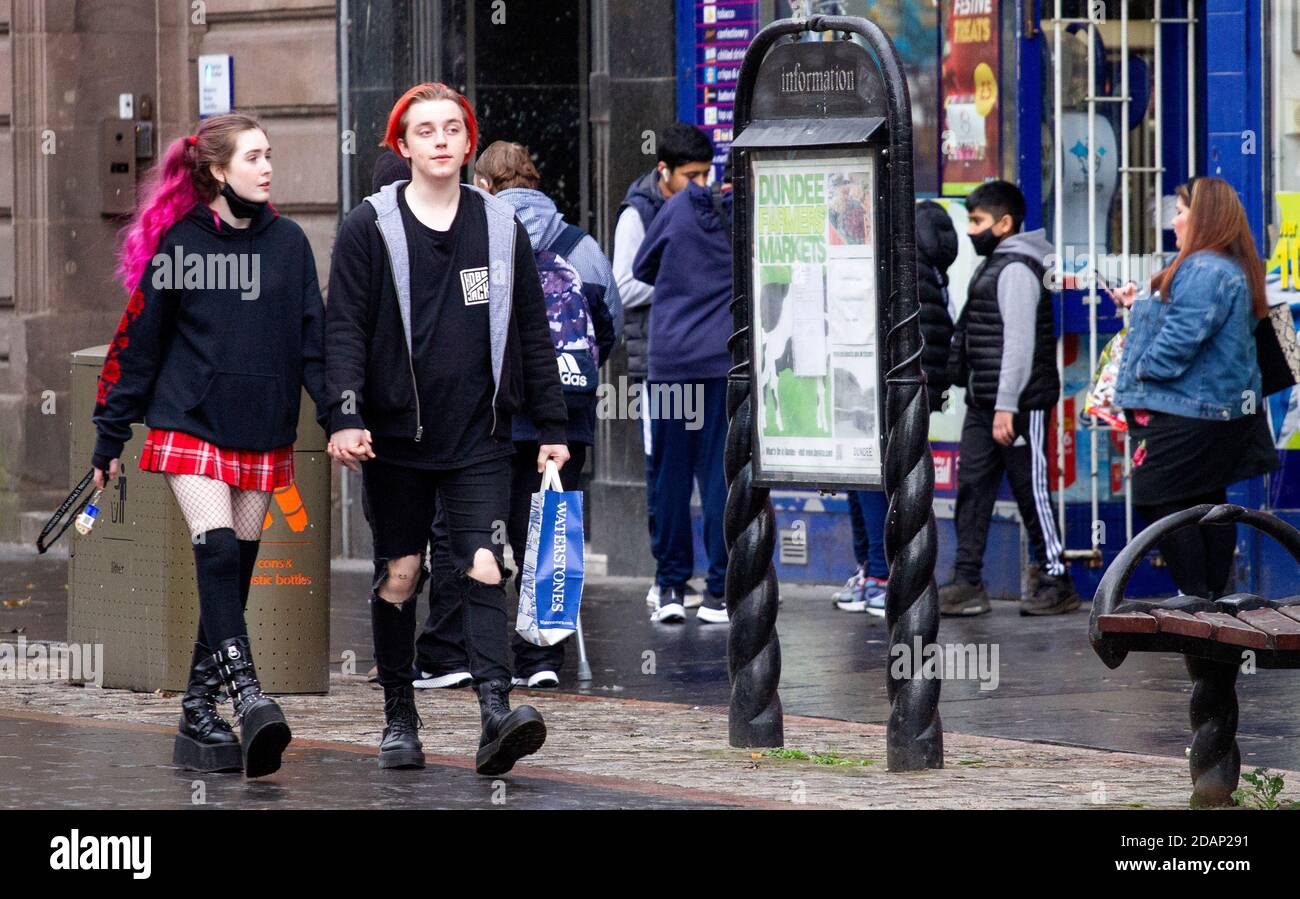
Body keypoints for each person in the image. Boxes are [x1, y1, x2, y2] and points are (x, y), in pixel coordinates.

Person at [325, 83, 570, 775]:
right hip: (397, 440)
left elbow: (530, 328)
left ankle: (496, 709)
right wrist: (344, 414)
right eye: (424, 130)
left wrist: (550, 421)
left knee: (486, 566)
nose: (439, 140)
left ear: (469, 143)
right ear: (403, 147)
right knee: (402, 574)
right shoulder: (367, 227)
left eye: (451, 129)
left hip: (479, 437)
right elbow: (342, 328)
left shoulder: (499, 227)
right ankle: (400, 714)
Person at [90, 113, 329, 778]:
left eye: (270, 155)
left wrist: (341, 415)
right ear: (219, 171)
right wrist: (109, 437)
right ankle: (247, 696)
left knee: (233, 573)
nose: (268, 167)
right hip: (189, 420)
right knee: (217, 548)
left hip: (263, 428)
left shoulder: (289, 244)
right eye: (254, 157)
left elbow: (317, 340)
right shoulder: (181, 244)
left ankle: (198, 712)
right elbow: (135, 346)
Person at [409, 139, 621, 690]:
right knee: (549, 532)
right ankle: (541, 659)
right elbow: (609, 328)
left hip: (488, 416)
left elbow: (461, 323)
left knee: (466, 528)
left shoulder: (479, 236)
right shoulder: (582, 245)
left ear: (483, 185)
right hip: (565, 415)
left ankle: (450, 653)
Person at [1111, 176, 1279, 598]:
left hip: (1192, 410)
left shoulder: (1203, 268)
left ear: (1203, 218)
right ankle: (1216, 605)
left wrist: (1144, 368)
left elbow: (1183, 338)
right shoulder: (1227, 265)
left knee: (1159, 499)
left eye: (1182, 211)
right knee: (1203, 500)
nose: (1175, 221)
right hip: (1217, 410)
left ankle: (1200, 601)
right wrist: (1142, 304)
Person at [941, 180, 1081, 616]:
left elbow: (1019, 343)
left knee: (1030, 489)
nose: (970, 230)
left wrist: (1007, 405)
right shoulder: (999, 262)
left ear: (1004, 223)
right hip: (986, 402)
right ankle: (967, 581)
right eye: (969, 220)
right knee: (973, 488)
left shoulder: (1017, 267)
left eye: (977, 221)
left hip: (1019, 406)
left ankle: (1057, 580)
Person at [835, 200, 957, 616]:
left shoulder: (902, 267)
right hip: (905, 393)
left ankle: (879, 573)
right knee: (877, 477)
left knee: (871, 477)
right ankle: (874, 569)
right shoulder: (931, 268)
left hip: (883, 391)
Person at [612, 123, 714, 612]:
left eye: (706, 174)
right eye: (690, 175)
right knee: (667, 473)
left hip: (687, 356)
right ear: (663, 171)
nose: (700, 185)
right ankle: (670, 580)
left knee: (711, 474)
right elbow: (624, 286)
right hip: (659, 358)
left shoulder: (711, 205)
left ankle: (712, 585)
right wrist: (685, 277)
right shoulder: (639, 212)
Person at [632, 154, 732, 625]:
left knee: (670, 474)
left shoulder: (680, 206)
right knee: (718, 473)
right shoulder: (748, 216)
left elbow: (642, 265)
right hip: (722, 362)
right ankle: (720, 590)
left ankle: (671, 586)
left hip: (672, 362)